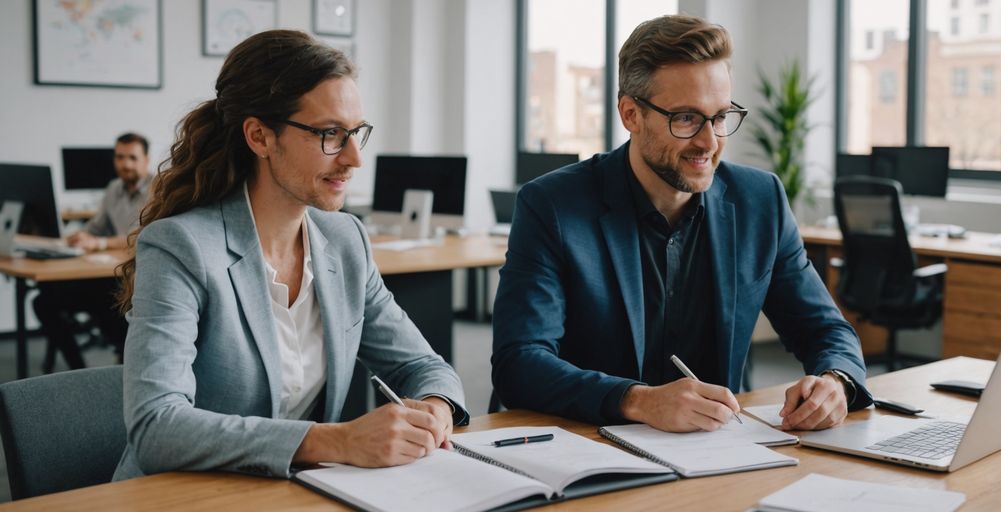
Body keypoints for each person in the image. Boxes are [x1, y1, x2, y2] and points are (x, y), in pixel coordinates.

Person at [492, 14, 873, 433]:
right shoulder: (552, 205)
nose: (709, 142)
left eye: (721, 117)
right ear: (631, 114)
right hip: (591, 445)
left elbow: (825, 329)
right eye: (687, 119)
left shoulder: (759, 200)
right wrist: (638, 401)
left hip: (716, 449)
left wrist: (836, 381)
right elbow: (519, 362)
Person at [112, 30, 467, 480]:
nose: (354, 158)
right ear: (260, 136)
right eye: (330, 134)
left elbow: (421, 364)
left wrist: (435, 407)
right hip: (185, 496)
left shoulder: (346, 240)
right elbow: (156, 426)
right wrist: (337, 440)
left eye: (356, 132)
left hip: (295, 492)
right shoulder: (181, 246)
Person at [33, 132, 152, 371]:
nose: (125, 164)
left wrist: (100, 244)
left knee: (106, 301)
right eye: (119, 157)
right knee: (45, 301)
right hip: (107, 274)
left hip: (137, 276)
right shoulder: (114, 188)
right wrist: (78, 237)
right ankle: (79, 370)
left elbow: (144, 235)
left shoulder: (158, 188)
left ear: (146, 160)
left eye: (132, 157)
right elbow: (96, 227)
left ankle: (122, 351)